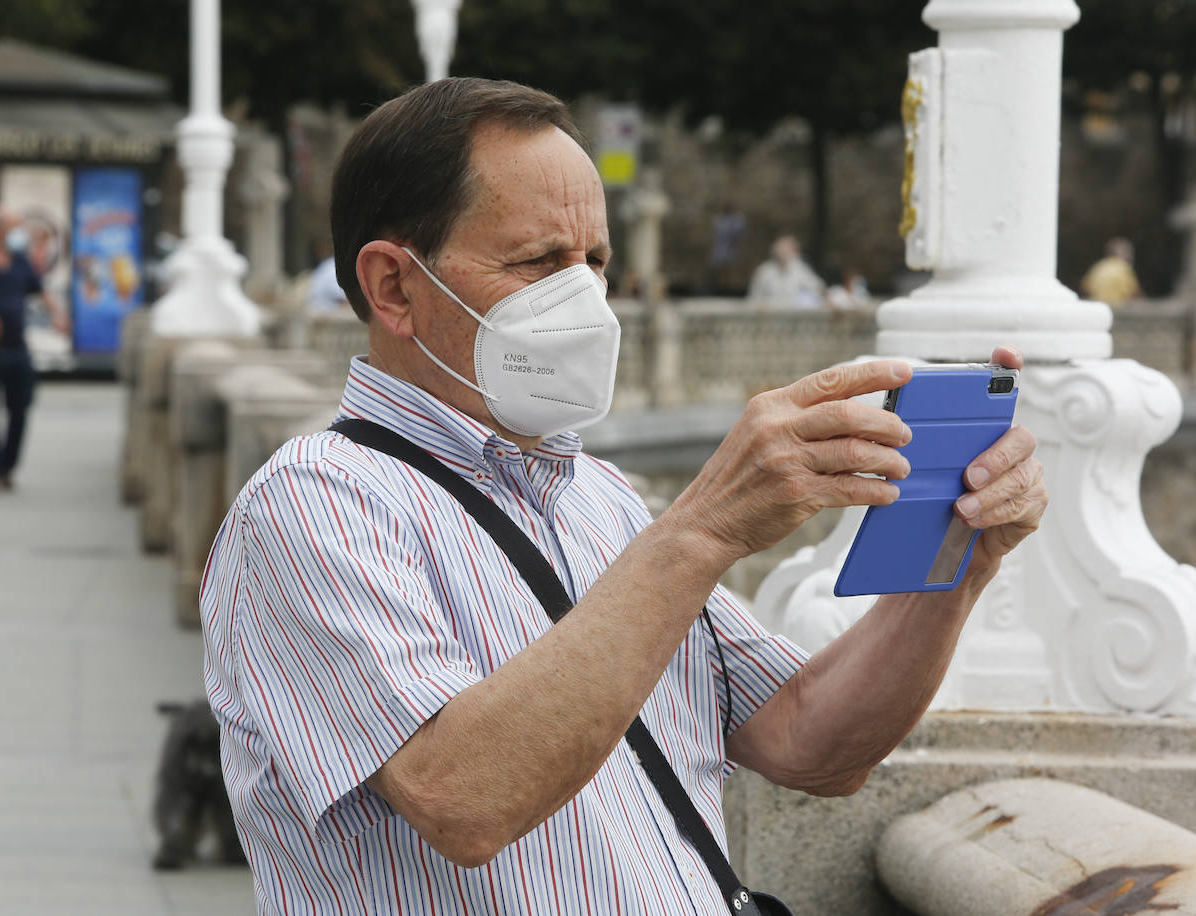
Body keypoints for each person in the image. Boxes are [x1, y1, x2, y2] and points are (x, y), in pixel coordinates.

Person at [199, 78, 1047, 914]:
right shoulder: (312, 508)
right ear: (393, 288)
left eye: (594, 263)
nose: (585, 300)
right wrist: (703, 529)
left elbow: (810, 740)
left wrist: (960, 555)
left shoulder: (596, 494)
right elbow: (462, 796)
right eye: (539, 262)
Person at [0, 204, 69, 492]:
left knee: (20, 410)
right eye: (15, 227)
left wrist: (58, 315)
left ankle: (6, 468)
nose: (20, 233)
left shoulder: (19, 260)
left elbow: (39, 289)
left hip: (17, 345)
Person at [748, 234, 825, 309]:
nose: (783, 252)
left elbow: (818, 287)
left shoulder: (800, 269)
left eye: (788, 249)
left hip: (793, 315)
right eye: (781, 249)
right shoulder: (764, 271)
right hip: (770, 315)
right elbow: (754, 297)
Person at [1080, 236, 1142, 307]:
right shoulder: (1123, 267)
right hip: (1116, 309)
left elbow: (1085, 289)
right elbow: (1134, 293)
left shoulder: (1098, 266)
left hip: (1099, 307)